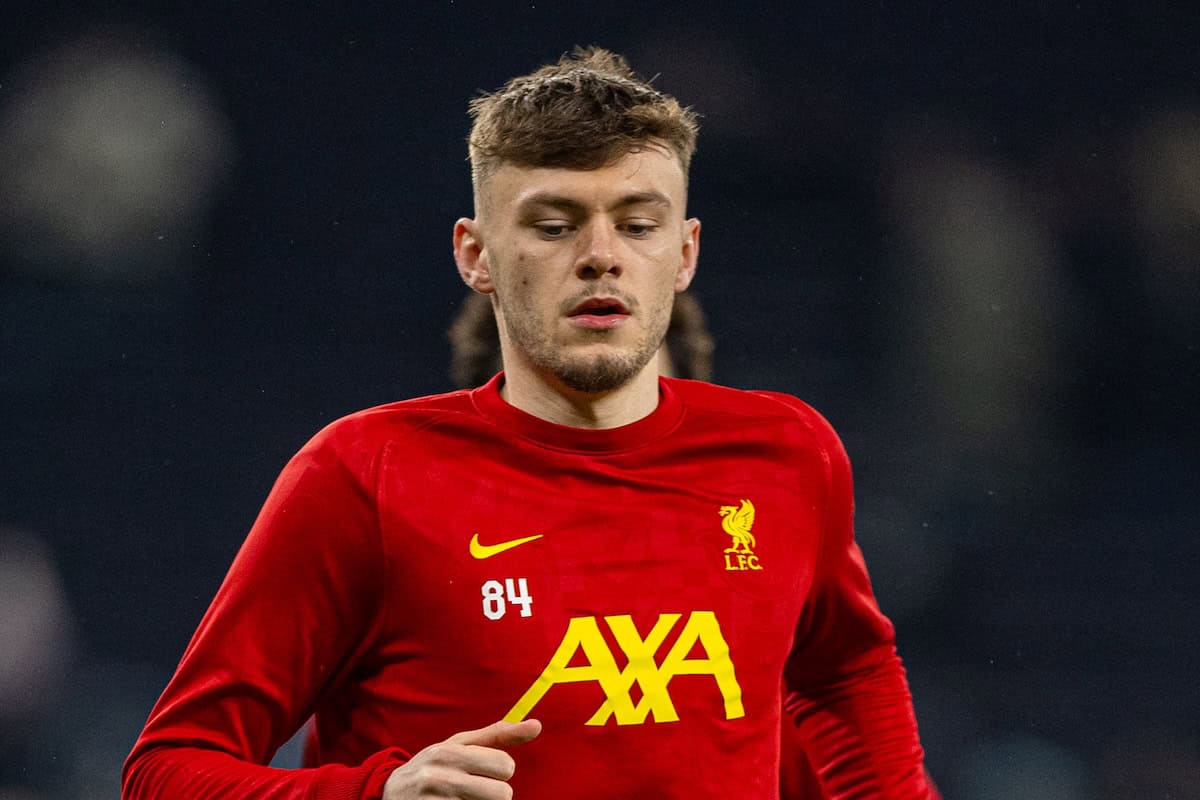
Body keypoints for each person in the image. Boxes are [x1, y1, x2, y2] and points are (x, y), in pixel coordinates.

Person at [123, 47, 938, 799]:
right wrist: (373, 794)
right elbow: (165, 771)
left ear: (685, 253)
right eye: (553, 225)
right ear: (474, 254)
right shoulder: (364, 472)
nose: (600, 255)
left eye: (639, 224)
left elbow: (846, 673)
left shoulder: (787, 451)